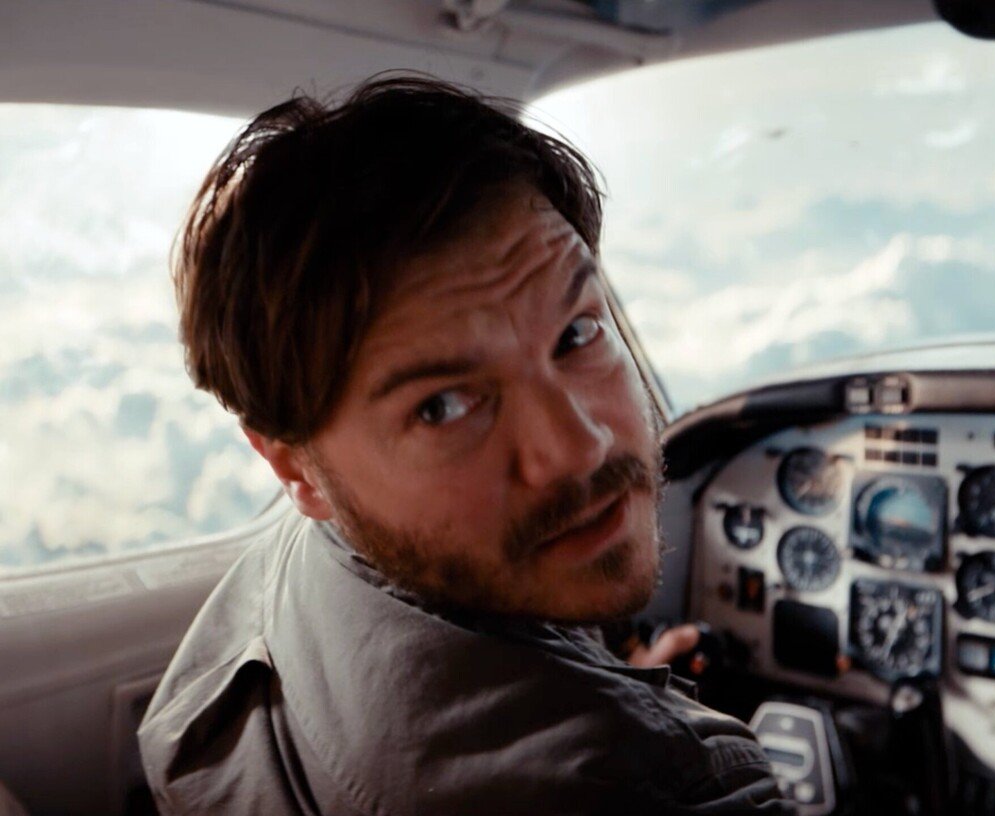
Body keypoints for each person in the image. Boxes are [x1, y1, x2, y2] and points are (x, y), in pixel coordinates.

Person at [137, 75, 792, 815]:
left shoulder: (278, 578)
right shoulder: (666, 785)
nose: (578, 447)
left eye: (576, 334)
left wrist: (609, 666)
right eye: (443, 407)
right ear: (295, 469)